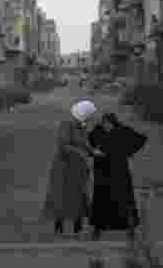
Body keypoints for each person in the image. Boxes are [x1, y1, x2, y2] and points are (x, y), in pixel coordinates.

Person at [43, 100, 103, 236]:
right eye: (90, 115)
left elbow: (83, 144)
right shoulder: (67, 125)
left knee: (79, 196)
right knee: (62, 196)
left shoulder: (81, 126)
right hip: (64, 166)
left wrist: (93, 152)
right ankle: (59, 227)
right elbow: (64, 144)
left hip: (78, 166)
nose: (91, 118)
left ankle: (78, 228)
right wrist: (80, 153)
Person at [88, 112, 147, 241]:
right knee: (101, 200)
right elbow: (87, 144)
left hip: (119, 171)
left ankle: (130, 229)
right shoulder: (97, 132)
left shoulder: (122, 131)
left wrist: (127, 152)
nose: (106, 126)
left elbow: (141, 139)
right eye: (104, 123)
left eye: (108, 123)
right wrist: (94, 153)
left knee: (124, 199)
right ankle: (98, 229)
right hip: (102, 172)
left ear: (113, 122)